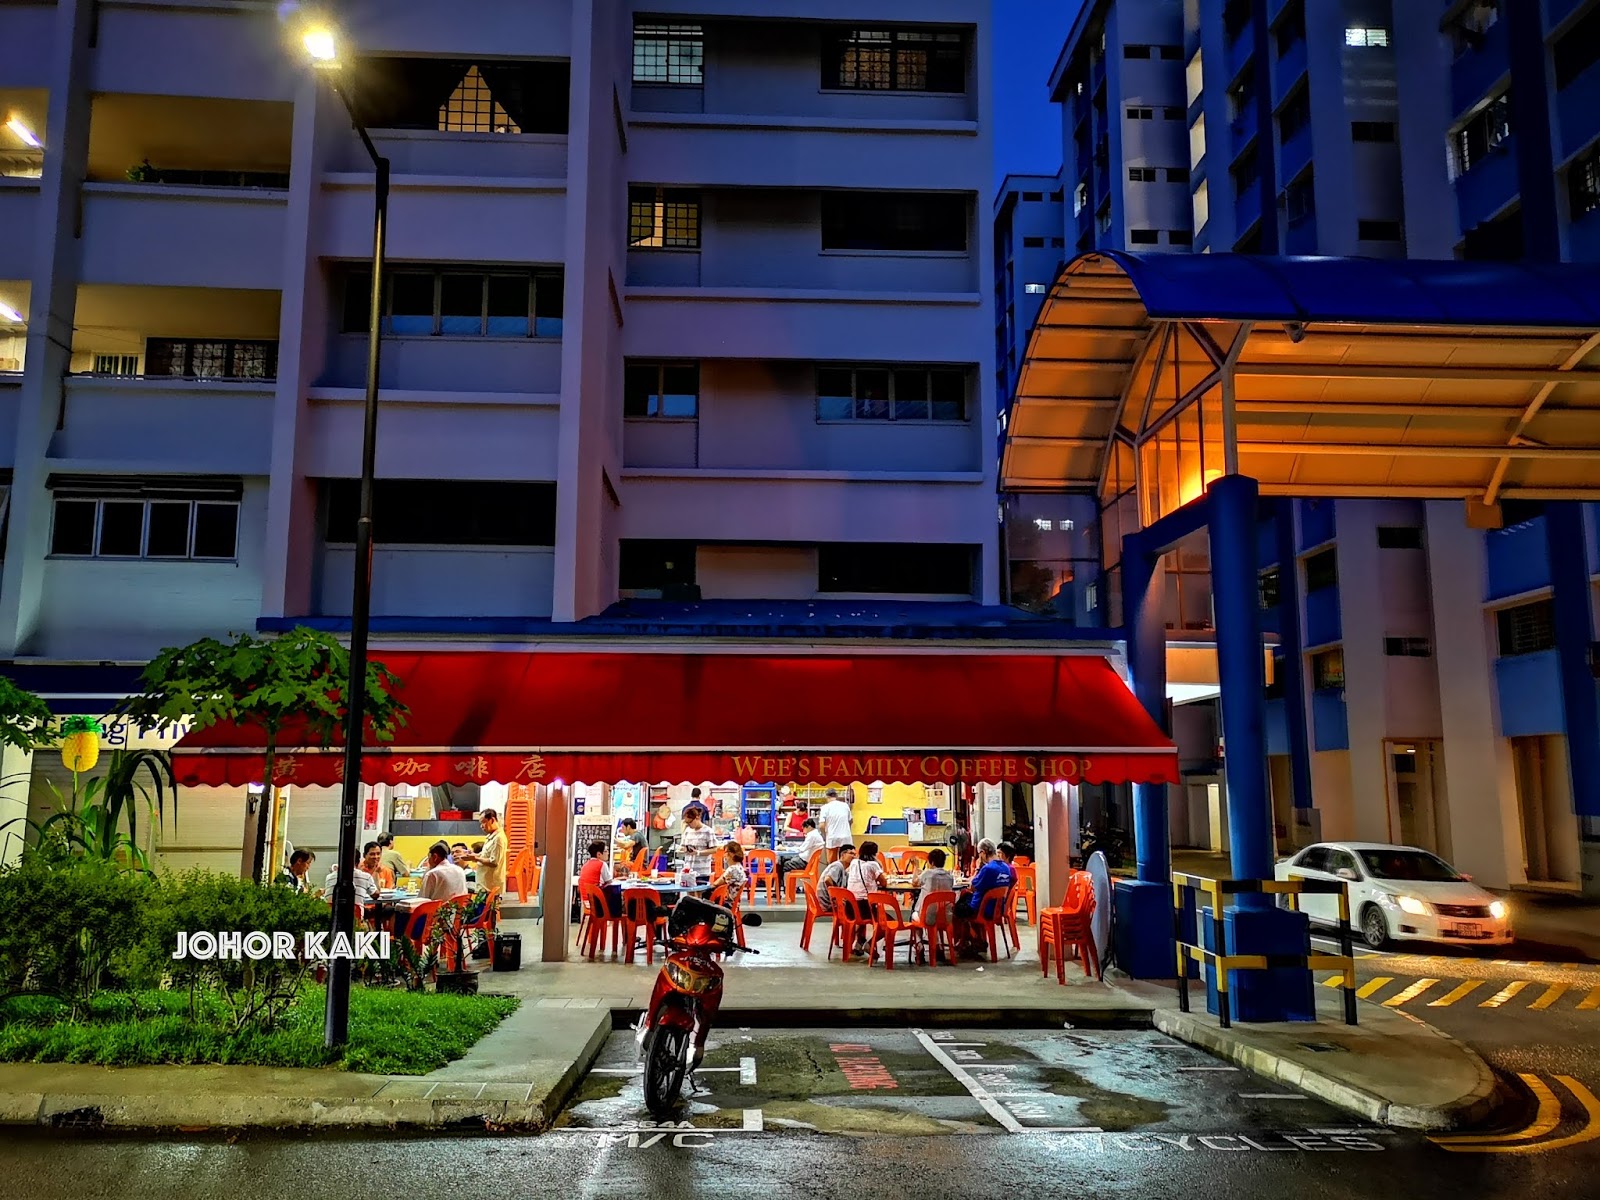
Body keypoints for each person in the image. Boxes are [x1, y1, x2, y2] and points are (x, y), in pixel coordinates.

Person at [464, 808, 508, 898]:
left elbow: (494, 862)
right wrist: (473, 855)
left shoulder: (498, 839)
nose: (481, 826)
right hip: (484, 885)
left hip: (490, 887)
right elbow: (485, 854)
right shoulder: (491, 837)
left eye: (483, 822)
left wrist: (475, 858)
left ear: (492, 820)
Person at [578, 838, 624, 916]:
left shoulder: (585, 865)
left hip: (587, 903)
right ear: (599, 854)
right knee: (624, 902)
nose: (608, 853)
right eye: (606, 851)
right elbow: (610, 882)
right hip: (598, 904)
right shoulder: (601, 864)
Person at [913, 847, 956, 920]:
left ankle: (918, 931)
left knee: (913, 914)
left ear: (932, 862)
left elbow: (914, 882)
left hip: (927, 916)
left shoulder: (927, 874)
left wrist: (916, 866)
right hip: (945, 917)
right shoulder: (950, 877)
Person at [677, 802, 717, 879]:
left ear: (697, 818)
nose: (689, 825)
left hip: (702, 872)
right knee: (689, 891)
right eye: (687, 823)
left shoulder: (708, 831)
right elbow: (682, 846)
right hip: (688, 871)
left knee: (700, 891)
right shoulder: (687, 831)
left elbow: (714, 849)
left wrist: (698, 852)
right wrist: (685, 849)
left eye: (690, 822)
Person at [814, 844, 856, 914]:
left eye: (855, 855)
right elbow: (827, 880)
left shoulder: (843, 869)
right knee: (857, 907)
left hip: (829, 902)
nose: (854, 857)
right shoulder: (837, 865)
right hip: (827, 904)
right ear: (843, 855)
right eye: (851, 853)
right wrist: (837, 896)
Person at [779, 817, 824, 881]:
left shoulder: (812, 835)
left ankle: (779, 886)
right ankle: (780, 885)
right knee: (783, 859)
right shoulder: (816, 834)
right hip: (808, 861)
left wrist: (785, 848)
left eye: (804, 829)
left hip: (805, 862)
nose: (803, 831)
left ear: (809, 827)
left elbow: (801, 849)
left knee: (782, 865)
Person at [819, 788, 854, 862]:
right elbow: (851, 821)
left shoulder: (825, 807)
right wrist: (847, 831)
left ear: (827, 796)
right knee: (847, 861)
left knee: (832, 864)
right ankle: (845, 873)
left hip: (832, 837)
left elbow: (821, 825)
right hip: (846, 837)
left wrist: (825, 835)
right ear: (836, 796)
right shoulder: (845, 805)